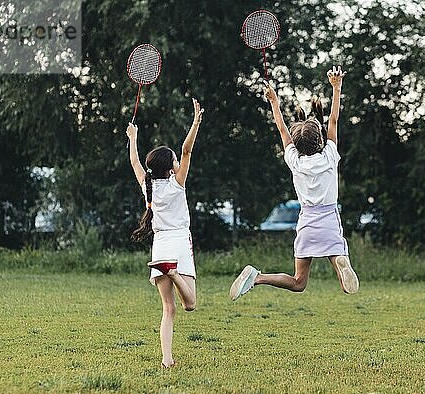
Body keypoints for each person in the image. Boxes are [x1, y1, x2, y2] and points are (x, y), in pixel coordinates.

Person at [230, 66, 359, 300]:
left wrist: (274, 102)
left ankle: (257, 277)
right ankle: (340, 259)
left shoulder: (295, 162)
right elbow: (334, 120)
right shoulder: (330, 156)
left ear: (297, 146)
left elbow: (281, 128)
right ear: (320, 139)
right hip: (329, 219)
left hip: (307, 223)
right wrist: (337, 88)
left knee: (299, 283)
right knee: (341, 270)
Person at [127, 98, 204, 367]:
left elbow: (135, 161)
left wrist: (132, 137)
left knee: (168, 309)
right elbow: (187, 151)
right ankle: (172, 271)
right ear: (171, 166)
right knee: (190, 303)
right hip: (180, 242)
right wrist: (195, 122)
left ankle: (167, 360)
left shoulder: (148, 186)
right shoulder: (177, 183)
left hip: (160, 246)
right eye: (174, 160)